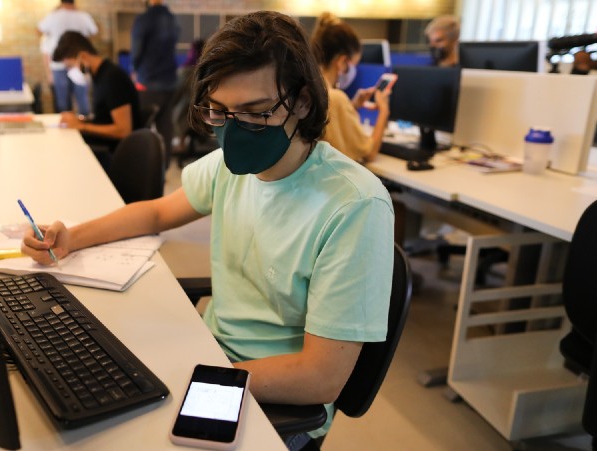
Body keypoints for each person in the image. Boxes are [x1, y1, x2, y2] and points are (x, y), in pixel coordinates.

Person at [28, 11, 393, 448]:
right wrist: (72, 237)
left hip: (274, 401)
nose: (233, 131)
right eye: (220, 112)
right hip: (211, 354)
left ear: (302, 102)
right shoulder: (231, 168)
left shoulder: (354, 205)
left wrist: (197, 376)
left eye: (256, 114)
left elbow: (320, 379)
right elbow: (157, 214)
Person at [52, 31, 141, 170]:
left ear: (82, 56)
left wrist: (82, 126)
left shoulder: (112, 77)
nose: (69, 71)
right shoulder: (98, 76)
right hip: (105, 147)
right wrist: (79, 121)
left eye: (70, 66)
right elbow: (103, 119)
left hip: (115, 154)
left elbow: (124, 130)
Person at [311, 13, 391, 162]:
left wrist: (352, 107)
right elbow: (369, 153)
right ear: (342, 61)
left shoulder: (310, 88)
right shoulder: (334, 97)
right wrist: (384, 111)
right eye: (354, 64)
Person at [130, 0, 180, 164]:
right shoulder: (173, 19)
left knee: (142, 126)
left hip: (149, 80)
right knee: (166, 127)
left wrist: (134, 70)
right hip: (170, 80)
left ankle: (142, 166)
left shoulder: (144, 19)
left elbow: (136, 50)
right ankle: (163, 167)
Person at [37, 0, 98, 115]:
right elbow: (94, 32)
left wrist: (55, 11)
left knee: (63, 104)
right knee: (82, 99)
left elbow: (38, 31)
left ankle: (67, 128)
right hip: (78, 62)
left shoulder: (53, 17)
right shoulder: (83, 16)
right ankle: (84, 129)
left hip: (60, 65)